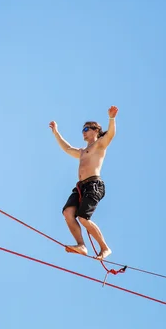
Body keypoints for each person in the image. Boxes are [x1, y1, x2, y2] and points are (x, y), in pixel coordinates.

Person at [49, 106, 118, 261]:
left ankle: (105, 248)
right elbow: (67, 148)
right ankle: (81, 245)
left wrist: (111, 118)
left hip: (94, 185)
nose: (83, 132)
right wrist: (56, 132)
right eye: (83, 129)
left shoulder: (100, 144)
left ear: (95, 130)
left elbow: (111, 134)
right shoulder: (81, 152)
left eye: (86, 128)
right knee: (68, 213)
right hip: (80, 187)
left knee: (83, 218)